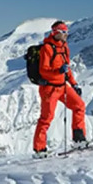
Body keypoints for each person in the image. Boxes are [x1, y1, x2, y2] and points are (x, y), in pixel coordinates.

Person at [33, 21, 87, 158]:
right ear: (56, 33)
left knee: (79, 106)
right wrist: (58, 71)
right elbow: (44, 71)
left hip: (63, 86)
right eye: (63, 32)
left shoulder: (64, 47)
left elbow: (66, 69)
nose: (66, 34)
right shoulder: (47, 48)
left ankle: (79, 140)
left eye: (66, 31)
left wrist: (74, 84)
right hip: (49, 89)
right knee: (46, 118)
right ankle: (39, 150)